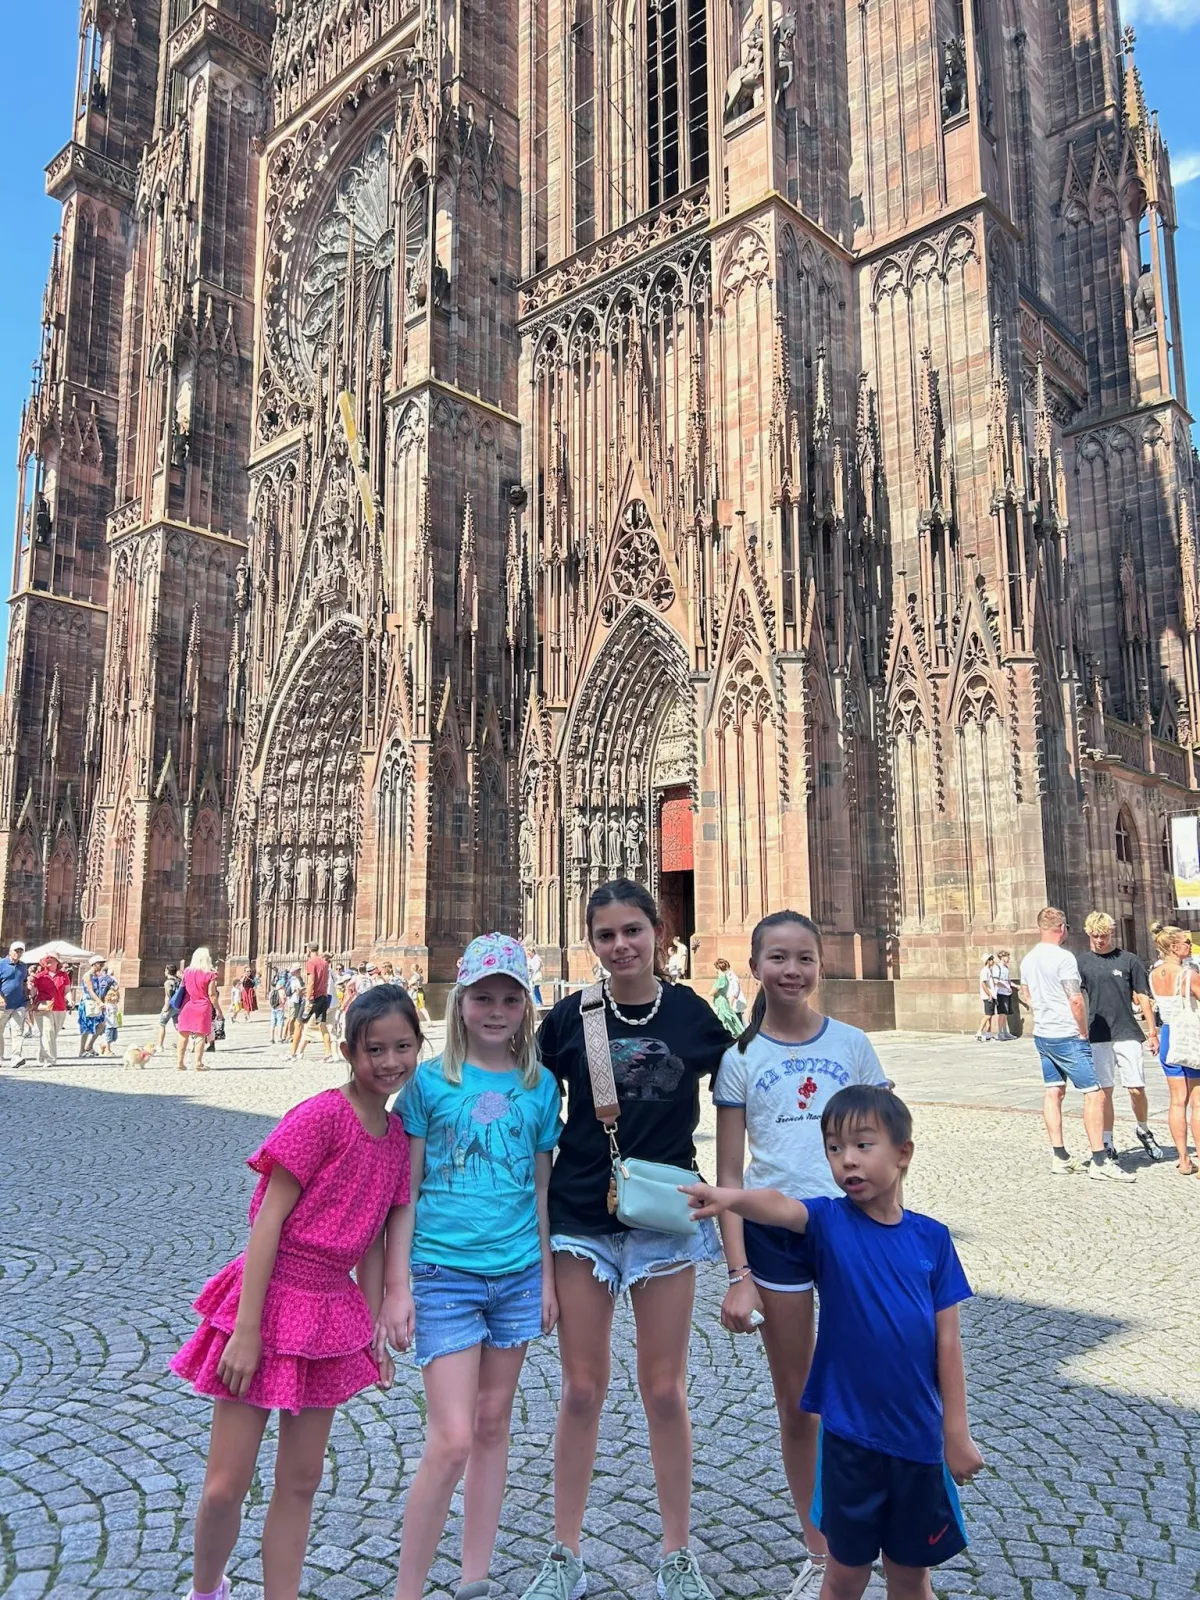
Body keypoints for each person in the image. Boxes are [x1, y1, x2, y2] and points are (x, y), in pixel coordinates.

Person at [684, 1085, 984, 1600]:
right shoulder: (827, 1221)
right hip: (849, 1440)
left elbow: (948, 1344)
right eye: (834, 1148)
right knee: (845, 1574)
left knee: (911, 1577)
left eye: (863, 1146)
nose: (848, 1161)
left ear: (903, 1152)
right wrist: (728, 1197)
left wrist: (955, 1434)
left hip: (917, 1442)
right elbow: (779, 1205)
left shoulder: (932, 1238)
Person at [519, 880, 731, 1600]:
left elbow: (745, 1091)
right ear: (591, 942)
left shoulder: (694, 1016)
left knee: (665, 1391)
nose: (620, 946)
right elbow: (531, 1116)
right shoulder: (567, 1020)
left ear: (659, 931)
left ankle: (677, 1554)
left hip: (665, 1221)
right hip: (583, 1218)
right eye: (606, 935)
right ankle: (564, 1553)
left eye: (632, 931)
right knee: (581, 1389)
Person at [170, 984, 419, 1600]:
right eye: (375, 1049)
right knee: (226, 1484)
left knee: (302, 1479)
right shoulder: (320, 1116)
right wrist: (247, 1330)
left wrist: (370, 1335)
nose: (389, 1062)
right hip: (271, 1294)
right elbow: (268, 1223)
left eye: (403, 1048)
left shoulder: (395, 1143)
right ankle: (207, 1590)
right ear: (347, 1050)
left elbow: (373, 1245)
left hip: (329, 1312)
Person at [375, 935, 561, 1600]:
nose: (496, 1009)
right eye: (483, 996)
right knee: (451, 1437)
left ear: (525, 1007)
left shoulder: (540, 1088)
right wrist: (395, 1289)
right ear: (460, 1001)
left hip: (514, 1274)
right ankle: (409, 1590)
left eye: (511, 997)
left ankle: (475, 1578)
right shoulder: (430, 1084)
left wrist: (544, 1274)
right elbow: (406, 1190)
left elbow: (542, 1188)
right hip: (444, 1274)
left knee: (491, 1424)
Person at [713, 912, 888, 1598]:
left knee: (869, 1387)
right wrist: (737, 1275)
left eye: (803, 958)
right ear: (754, 966)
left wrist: (890, 1232)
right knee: (799, 1400)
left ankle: (877, 1532)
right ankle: (822, 1550)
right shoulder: (739, 1058)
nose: (792, 970)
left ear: (819, 965)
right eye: (778, 958)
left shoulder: (852, 1044)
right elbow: (729, 1176)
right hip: (773, 1236)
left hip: (851, 1232)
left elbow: (886, 1144)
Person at [1018, 907, 1133, 1182]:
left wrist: (1041, 1008)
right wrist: (1082, 1031)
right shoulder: (1064, 957)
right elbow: (1075, 1000)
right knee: (1094, 1094)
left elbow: (1025, 993)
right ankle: (1099, 1160)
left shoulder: (1028, 959)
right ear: (1062, 928)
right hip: (1067, 1034)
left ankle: (1060, 1156)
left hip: (1043, 1033)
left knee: (1053, 1091)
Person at [1077, 913, 1164, 1164]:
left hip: (1126, 1030)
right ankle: (1107, 1140)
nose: (1100, 940)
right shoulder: (1082, 963)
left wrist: (1152, 1031)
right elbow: (1077, 999)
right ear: (1089, 934)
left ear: (1111, 933)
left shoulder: (1129, 960)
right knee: (1104, 1091)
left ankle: (1143, 1128)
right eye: (1095, 936)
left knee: (1136, 1088)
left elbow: (1142, 995)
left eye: (1104, 935)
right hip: (1098, 1033)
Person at [1147, 924, 1200, 1174]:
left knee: (1177, 1100)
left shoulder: (1154, 974)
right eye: (1185, 942)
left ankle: (1183, 1159)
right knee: (1198, 1102)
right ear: (1173, 947)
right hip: (1188, 1035)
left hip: (1168, 1034)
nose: (1189, 945)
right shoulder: (1188, 975)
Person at [177, 948, 223, 1074]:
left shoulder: (187, 972)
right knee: (200, 1035)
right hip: (202, 1006)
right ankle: (198, 1063)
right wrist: (219, 1010)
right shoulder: (210, 974)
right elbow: (212, 995)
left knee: (183, 1035)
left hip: (187, 1005)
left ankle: (180, 1062)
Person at [290, 941, 333, 1062]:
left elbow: (311, 982)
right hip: (323, 997)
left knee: (298, 1023)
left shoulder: (310, 962)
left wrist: (308, 999)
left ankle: (292, 1053)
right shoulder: (325, 963)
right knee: (322, 1026)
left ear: (308, 950)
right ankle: (328, 1054)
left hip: (313, 998)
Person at [30, 953, 71, 1066]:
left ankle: (42, 1055)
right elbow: (33, 992)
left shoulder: (63, 975)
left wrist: (70, 1000)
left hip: (60, 1007)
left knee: (53, 1034)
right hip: (44, 1007)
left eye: (51, 959)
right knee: (48, 1032)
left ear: (57, 962)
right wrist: (30, 987)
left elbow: (67, 990)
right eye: (46, 959)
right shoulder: (40, 975)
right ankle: (50, 1059)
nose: (48, 961)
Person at [0, 939, 30, 1068]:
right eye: (16, 951)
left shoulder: (23, 966)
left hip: (19, 1004)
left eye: (20, 951)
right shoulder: (1, 964)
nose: (18, 953)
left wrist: (27, 998)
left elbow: (23, 983)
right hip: (3, 1004)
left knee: (18, 1031)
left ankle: (16, 1057)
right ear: (10, 951)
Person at [79, 958, 113, 1058]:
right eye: (100, 964)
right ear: (94, 964)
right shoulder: (88, 975)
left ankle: (89, 1046)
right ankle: (81, 1050)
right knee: (86, 1027)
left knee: (101, 1024)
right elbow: (90, 991)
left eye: (103, 964)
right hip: (88, 1003)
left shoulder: (96, 975)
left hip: (96, 1003)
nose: (102, 966)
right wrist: (100, 1002)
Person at [710, 957, 744, 1037]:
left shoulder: (725, 978)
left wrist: (730, 1004)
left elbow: (734, 992)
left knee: (727, 1020)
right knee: (728, 1021)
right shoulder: (723, 978)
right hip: (722, 1002)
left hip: (725, 1003)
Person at [156, 965, 182, 1053]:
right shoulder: (179, 980)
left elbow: (168, 996)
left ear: (167, 971)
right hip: (178, 1006)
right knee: (178, 1026)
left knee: (162, 1024)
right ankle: (182, 1043)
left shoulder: (168, 982)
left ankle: (160, 1045)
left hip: (170, 1006)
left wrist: (165, 1008)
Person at [974, 955, 999, 1043]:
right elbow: (983, 984)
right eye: (991, 960)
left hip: (991, 995)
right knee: (988, 1015)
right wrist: (989, 995)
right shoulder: (984, 971)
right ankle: (979, 1033)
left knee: (990, 1016)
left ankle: (988, 1035)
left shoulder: (989, 970)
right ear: (988, 961)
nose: (993, 961)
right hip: (987, 996)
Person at [96, 979, 121, 1058]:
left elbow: (118, 1015)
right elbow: (101, 1010)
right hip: (108, 1024)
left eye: (116, 996)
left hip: (114, 1024)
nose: (115, 997)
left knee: (114, 1038)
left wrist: (119, 1022)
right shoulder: (107, 1005)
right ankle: (108, 1050)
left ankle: (103, 1045)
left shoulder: (115, 1006)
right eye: (113, 996)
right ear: (109, 997)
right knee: (108, 1038)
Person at [993, 950, 1014, 1040]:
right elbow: (996, 981)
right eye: (1007, 957)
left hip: (1007, 993)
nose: (1008, 958)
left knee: (1005, 1013)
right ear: (1002, 957)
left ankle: (1005, 1031)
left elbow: (1008, 980)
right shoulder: (997, 967)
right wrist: (1006, 987)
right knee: (1002, 1013)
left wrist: (1014, 986)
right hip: (1001, 993)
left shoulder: (1006, 967)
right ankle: (1000, 1032)